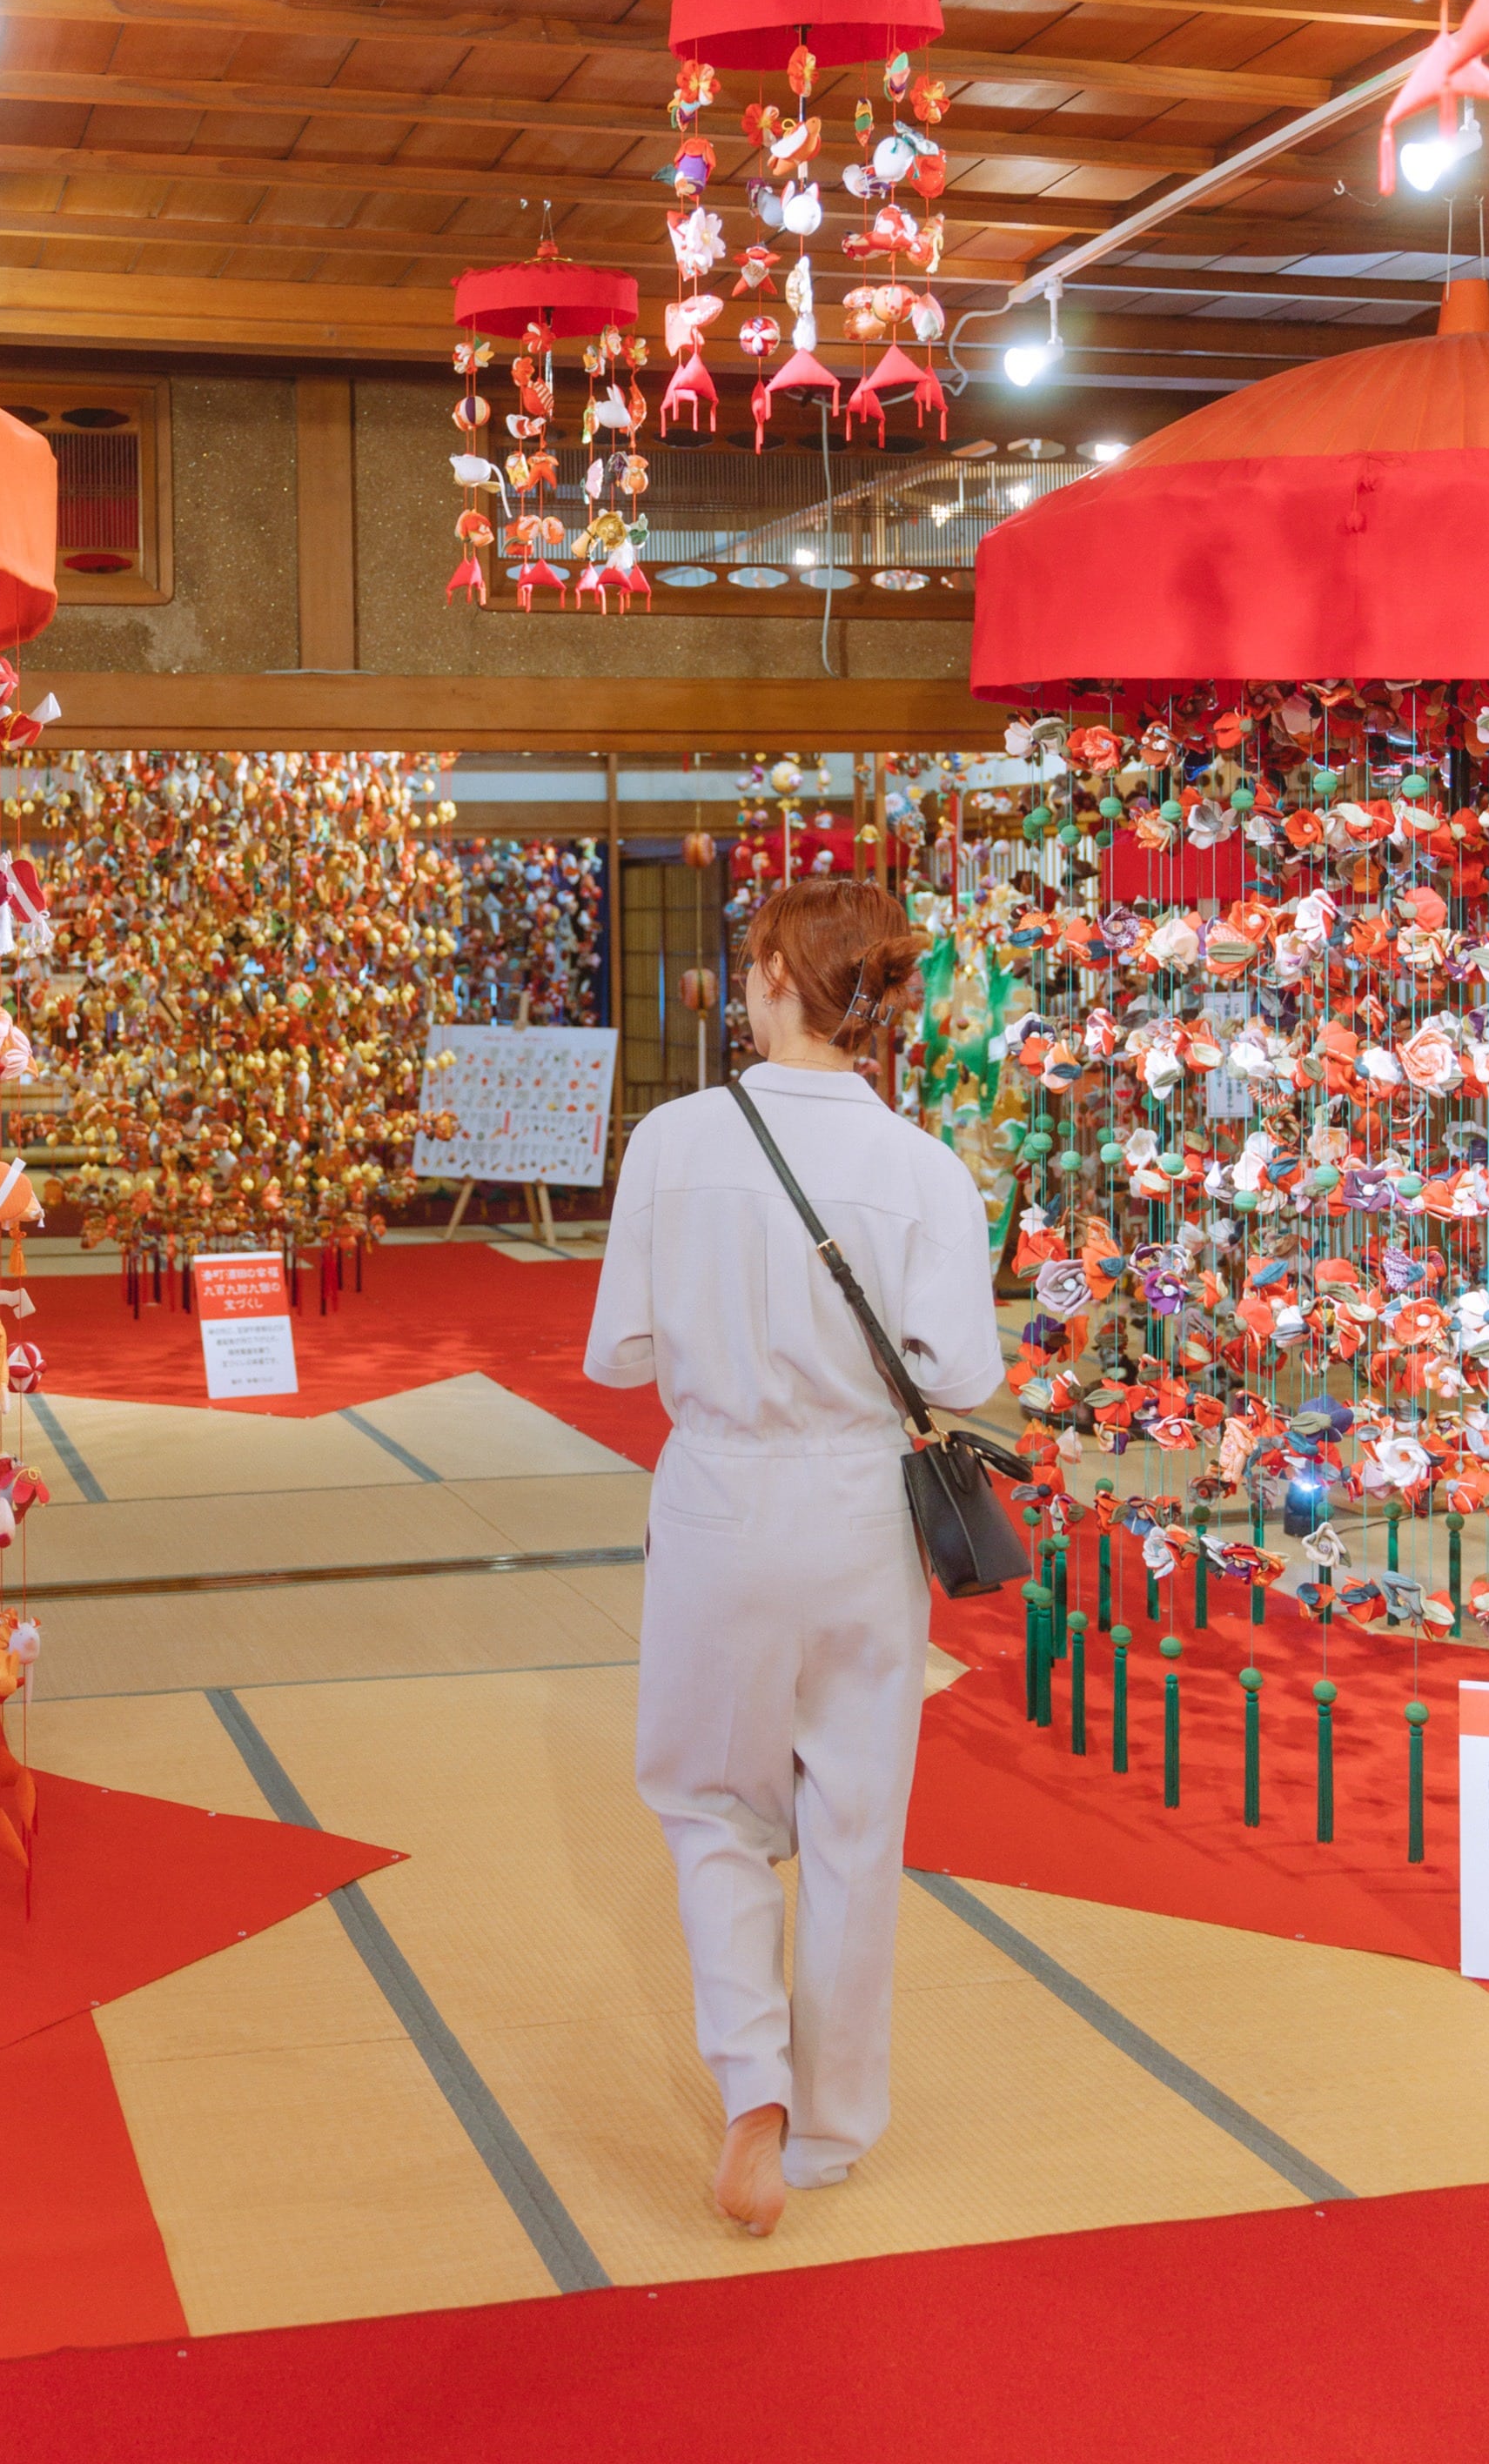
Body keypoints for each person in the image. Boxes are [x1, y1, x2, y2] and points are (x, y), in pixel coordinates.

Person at [584, 876, 1003, 2235]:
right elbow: (963, 1373)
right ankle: (826, 2130)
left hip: (719, 1498)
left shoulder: (675, 1140)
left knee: (711, 1810)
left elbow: (617, 1354)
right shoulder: (924, 1167)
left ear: (773, 976)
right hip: (859, 1508)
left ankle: (750, 2088)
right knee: (854, 1822)